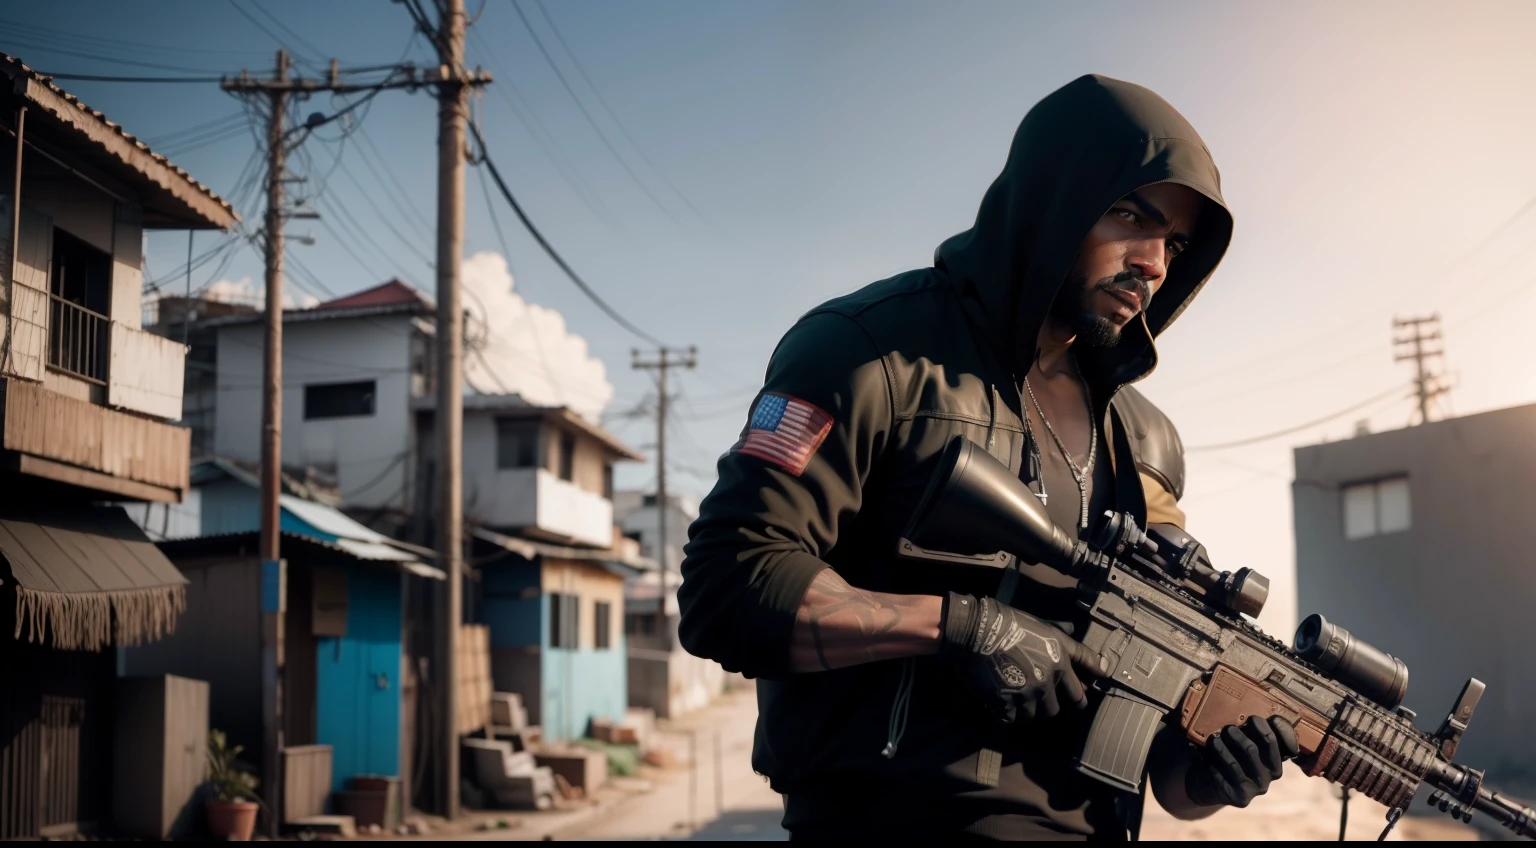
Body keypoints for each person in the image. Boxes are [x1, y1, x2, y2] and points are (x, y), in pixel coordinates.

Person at [677, 74, 1299, 842]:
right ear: (1053, 198)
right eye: (1129, 214)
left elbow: (1162, 767)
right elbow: (726, 587)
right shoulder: (864, 353)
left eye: (1173, 242)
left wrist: (1211, 771)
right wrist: (959, 627)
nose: (1155, 262)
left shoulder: (1145, 440)